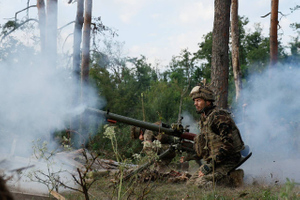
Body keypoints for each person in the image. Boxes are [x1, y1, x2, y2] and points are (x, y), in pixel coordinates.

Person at [186, 84, 245, 188]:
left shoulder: (219, 116)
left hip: (228, 160)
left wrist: (211, 165)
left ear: (208, 101)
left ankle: (234, 178)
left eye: (198, 100)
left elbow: (228, 144)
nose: (195, 103)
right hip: (216, 161)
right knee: (190, 184)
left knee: (201, 183)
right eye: (194, 101)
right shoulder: (204, 118)